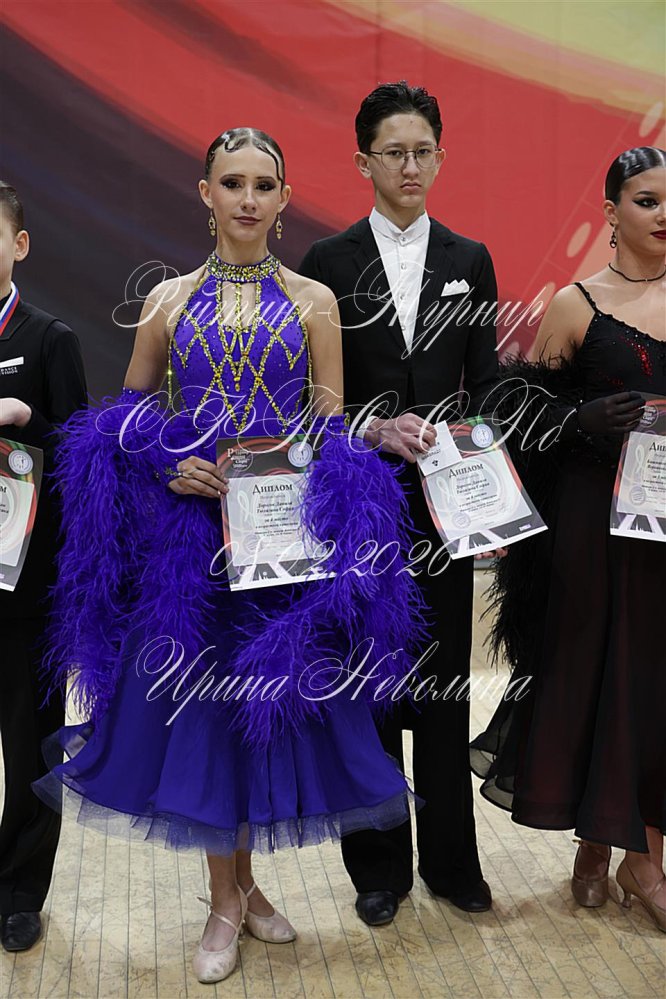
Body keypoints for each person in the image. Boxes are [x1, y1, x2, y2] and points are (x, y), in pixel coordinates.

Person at [34, 128, 428, 984]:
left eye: (263, 185)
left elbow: (328, 423)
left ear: (283, 200)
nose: (248, 199)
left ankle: (246, 888)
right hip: (192, 547)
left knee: (262, 715)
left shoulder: (315, 301)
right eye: (232, 182)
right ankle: (223, 899)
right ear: (205, 193)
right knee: (205, 718)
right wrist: (166, 462)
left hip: (282, 545)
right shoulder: (168, 299)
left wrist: (335, 471)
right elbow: (125, 417)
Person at [300, 81, 500, 925]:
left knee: (446, 684)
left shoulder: (470, 258)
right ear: (363, 162)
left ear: (441, 157)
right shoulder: (326, 262)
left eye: (423, 151)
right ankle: (378, 868)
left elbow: (489, 387)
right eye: (394, 152)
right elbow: (310, 397)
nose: (410, 166)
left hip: (447, 503)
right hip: (362, 501)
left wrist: (475, 459)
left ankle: (454, 863)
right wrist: (374, 428)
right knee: (372, 683)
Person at [471, 146, 666, 932]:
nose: (664, 213)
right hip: (591, 525)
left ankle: (638, 854)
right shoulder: (575, 304)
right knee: (596, 674)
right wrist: (578, 419)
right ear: (611, 211)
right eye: (648, 199)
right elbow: (520, 417)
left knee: (655, 681)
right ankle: (602, 842)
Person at [0, 182, 87, 952]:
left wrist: (29, 424)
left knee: (31, 745)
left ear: (19, 244)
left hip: (26, 587)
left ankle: (21, 890)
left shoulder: (50, 338)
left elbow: (85, 458)